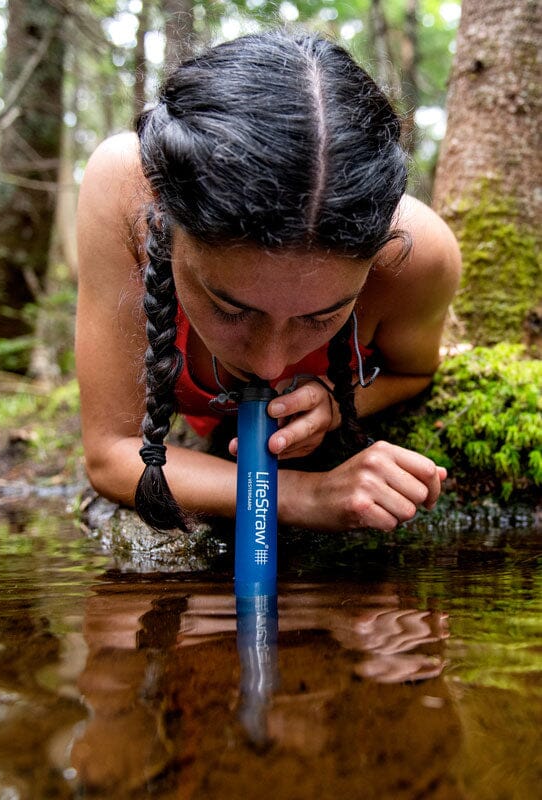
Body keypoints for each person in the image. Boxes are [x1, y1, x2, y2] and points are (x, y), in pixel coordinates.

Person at [75, 29, 461, 534]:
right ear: (168, 218)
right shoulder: (125, 192)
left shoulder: (417, 255)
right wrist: (302, 496)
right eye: (231, 309)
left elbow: (411, 373)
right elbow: (110, 453)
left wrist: (336, 403)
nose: (269, 362)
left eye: (321, 317)